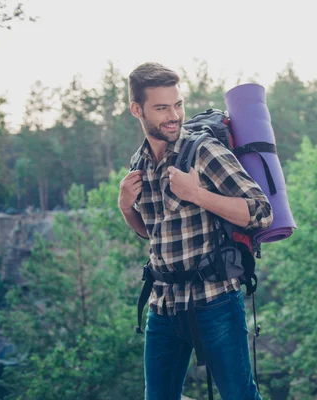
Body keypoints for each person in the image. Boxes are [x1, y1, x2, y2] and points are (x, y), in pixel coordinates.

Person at [117, 62, 272, 400]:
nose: (174, 115)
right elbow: (151, 233)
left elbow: (261, 212)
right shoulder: (139, 164)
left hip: (215, 301)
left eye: (178, 104)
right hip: (164, 305)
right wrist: (126, 207)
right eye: (162, 108)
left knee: (240, 396)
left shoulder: (203, 151)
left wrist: (196, 193)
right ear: (136, 110)